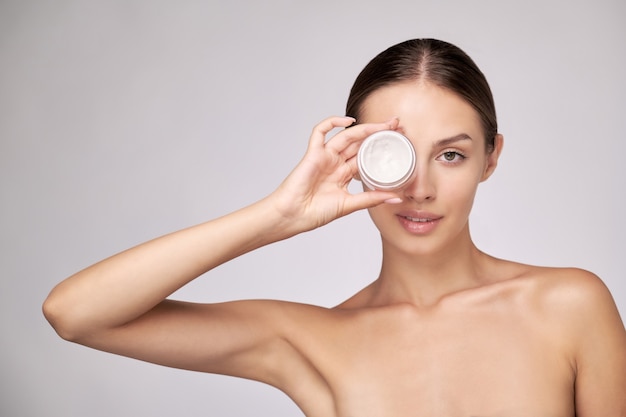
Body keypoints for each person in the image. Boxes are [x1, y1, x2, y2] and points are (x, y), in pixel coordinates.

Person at [43, 38, 626, 417]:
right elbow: (75, 313)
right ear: (354, 157)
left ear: (490, 158)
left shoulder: (569, 306)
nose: (419, 187)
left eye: (451, 155)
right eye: (394, 155)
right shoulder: (311, 339)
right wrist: (278, 216)